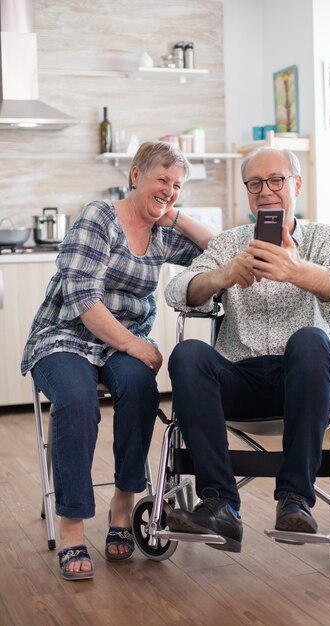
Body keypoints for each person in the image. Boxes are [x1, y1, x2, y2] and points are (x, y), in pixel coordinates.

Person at [21, 141, 215, 580]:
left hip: (117, 344)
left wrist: (175, 215)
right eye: (161, 180)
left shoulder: (162, 233)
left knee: (141, 389)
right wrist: (132, 343)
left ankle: (123, 506)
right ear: (135, 176)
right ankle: (72, 527)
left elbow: (218, 250)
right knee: (75, 398)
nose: (168, 190)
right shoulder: (99, 217)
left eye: (177, 185)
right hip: (65, 335)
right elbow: (81, 297)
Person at [164, 146, 330, 553]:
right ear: (247, 191)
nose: (266, 191)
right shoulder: (229, 243)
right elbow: (176, 291)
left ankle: (295, 498)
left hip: (308, 379)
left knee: (311, 339)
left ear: (297, 184)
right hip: (241, 379)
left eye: (276, 180)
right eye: (255, 183)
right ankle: (220, 504)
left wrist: (299, 272)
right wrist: (220, 276)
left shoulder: (322, 237)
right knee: (186, 355)